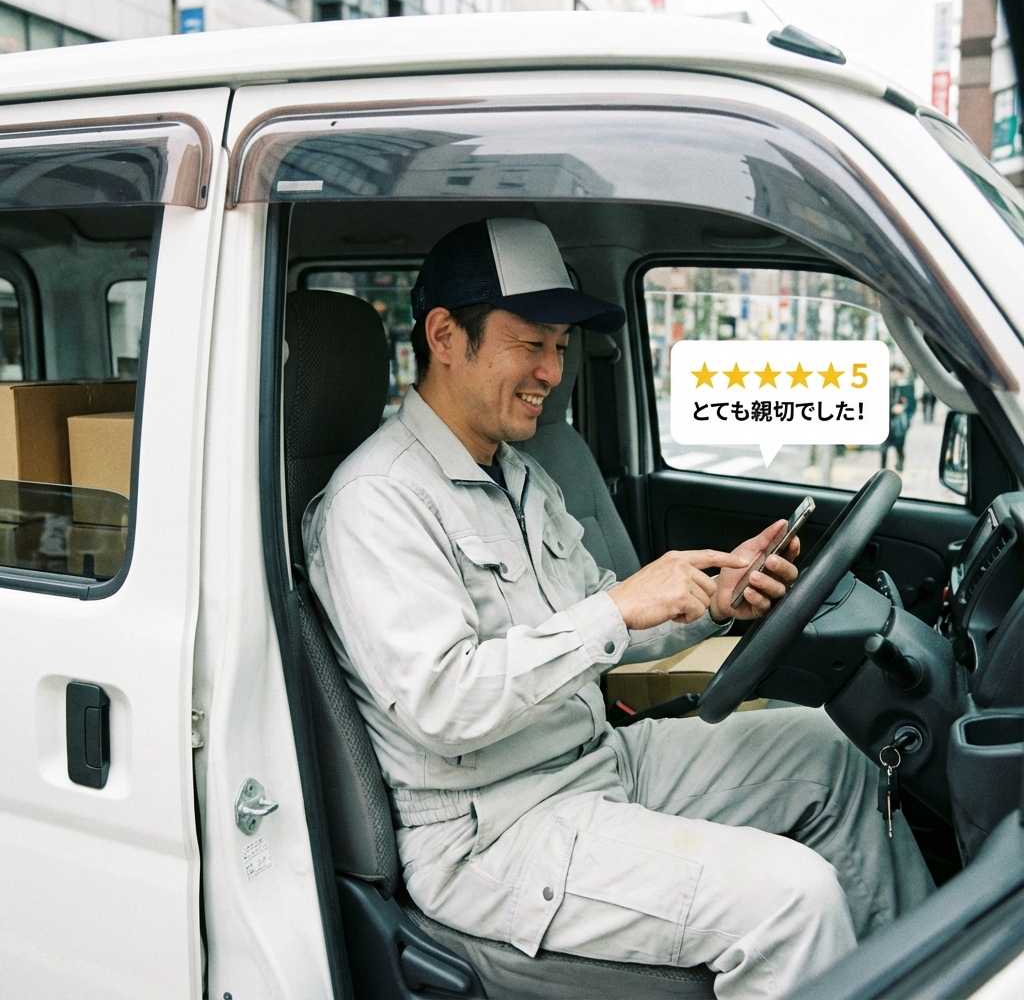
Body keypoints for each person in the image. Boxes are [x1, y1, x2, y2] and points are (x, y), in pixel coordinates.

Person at [304, 219, 933, 1000]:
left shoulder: (519, 474)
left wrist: (713, 603)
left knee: (834, 754)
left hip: (595, 762)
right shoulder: (376, 501)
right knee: (791, 899)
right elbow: (443, 702)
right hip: (493, 832)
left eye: (561, 346)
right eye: (530, 344)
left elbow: (611, 628)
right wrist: (615, 609)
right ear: (444, 337)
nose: (552, 371)